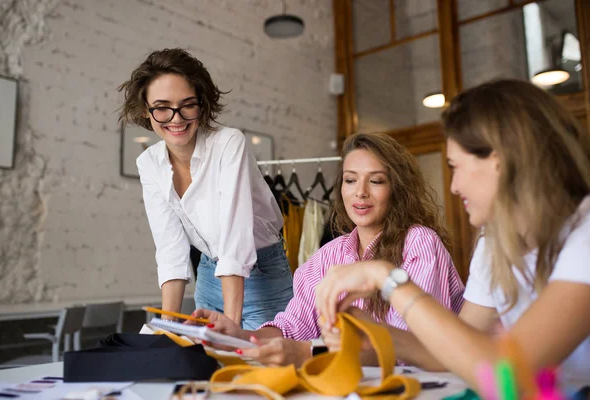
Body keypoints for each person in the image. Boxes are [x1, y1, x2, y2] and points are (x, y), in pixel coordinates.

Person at [315, 79, 590, 394]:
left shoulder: (585, 234)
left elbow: (507, 376)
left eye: (455, 166)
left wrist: (388, 279)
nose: (454, 186)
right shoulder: (496, 241)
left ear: (499, 162)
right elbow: (460, 352)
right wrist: (382, 335)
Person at [193, 132, 465, 366]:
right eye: (350, 180)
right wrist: (237, 335)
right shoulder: (327, 256)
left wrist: (308, 353)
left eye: (376, 181)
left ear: (397, 189)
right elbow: (293, 327)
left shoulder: (419, 243)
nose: (360, 192)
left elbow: (409, 348)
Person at [118, 48, 293, 329]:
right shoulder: (149, 163)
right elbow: (170, 249)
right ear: (145, 110)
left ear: (202, 104)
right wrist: (168, 327)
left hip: (262, 276)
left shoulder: (228, 144)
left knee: (256, 365)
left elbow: (235, 237)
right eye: (162, 107)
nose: (176, 118)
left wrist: (231, 328)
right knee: (203, 364)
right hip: (209, 276)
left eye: (187, 104)